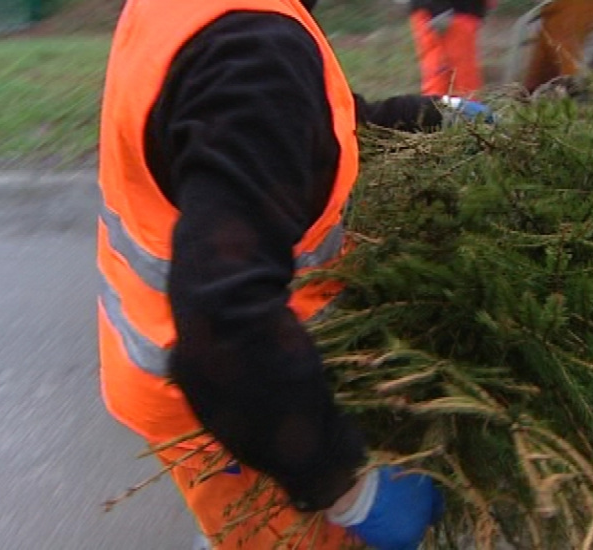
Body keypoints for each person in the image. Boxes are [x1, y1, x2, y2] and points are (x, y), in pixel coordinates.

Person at [97, 0, 482, 548]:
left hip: (227, 393)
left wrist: (434, 117)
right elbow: (223, 326)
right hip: (248, 413)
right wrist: (344, 485)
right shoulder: (252, 49)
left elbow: (300, 128)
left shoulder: (204, 16)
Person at [408, 0, 494, 97]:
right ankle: (466, 110)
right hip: (450, 14)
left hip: (452, 13)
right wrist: (439, 9)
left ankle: (437, 108)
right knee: (456, 77)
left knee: (450, 75)